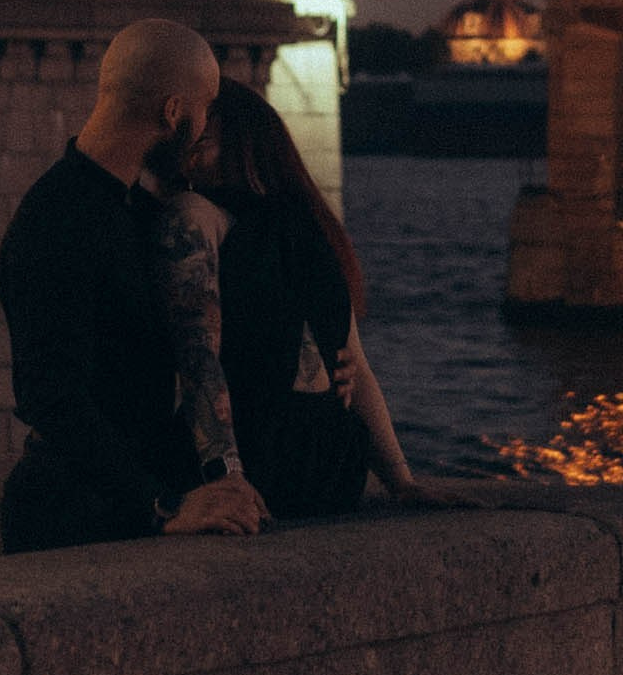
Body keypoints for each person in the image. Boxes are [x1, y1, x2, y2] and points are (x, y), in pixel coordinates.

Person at [0, 20, 270, 551]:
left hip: (114, 513)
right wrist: (163, 504)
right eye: (205, 107)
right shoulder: (56, 219)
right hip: (71, 525)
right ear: (172, 112)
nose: (206, 122)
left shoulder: (130, 210)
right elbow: (51, 397)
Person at [155, 78, 468, 518]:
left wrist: (403, 482)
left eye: (207, 121)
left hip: (293, 463)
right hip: (313, 466)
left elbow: (352, 362)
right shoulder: (222, 215)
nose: (189, 132)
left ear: (241, 128)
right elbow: (197, 358)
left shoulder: (286, 223)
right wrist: (226, 475)